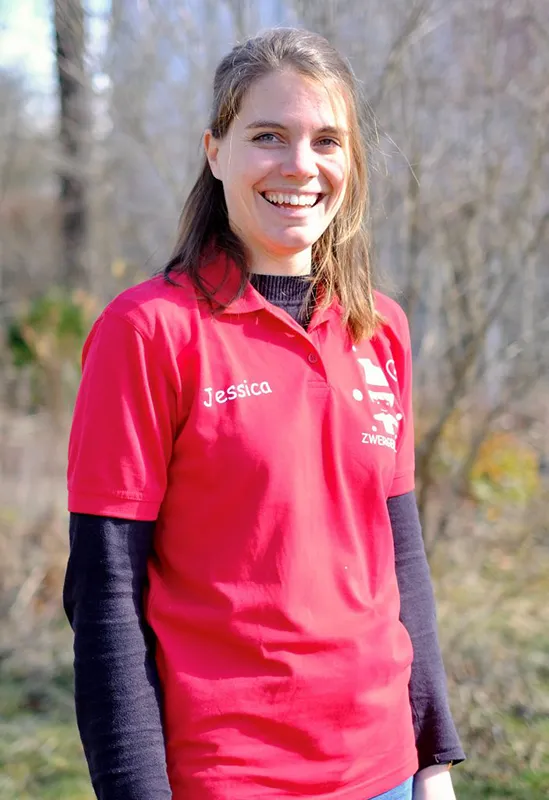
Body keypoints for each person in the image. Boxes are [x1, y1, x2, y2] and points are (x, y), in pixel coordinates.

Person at [64, 27, 464, 800]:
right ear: (215, 151)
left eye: (325, 140)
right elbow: (106, 593)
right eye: (267, 136)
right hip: (227, 776)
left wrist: (432, 757)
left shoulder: (380, 330)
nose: (299, 166)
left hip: (384, 770)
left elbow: (399, 559)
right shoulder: (148, 330)